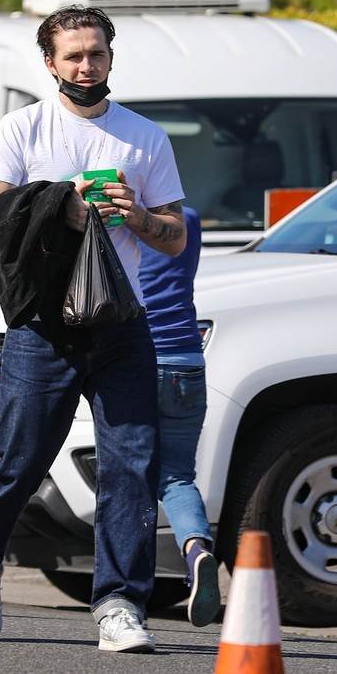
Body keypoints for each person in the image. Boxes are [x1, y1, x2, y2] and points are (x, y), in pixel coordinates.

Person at [0, 5, 186, 653]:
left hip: (121, 323)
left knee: (131, 464)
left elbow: (174, 237)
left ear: (111, 57)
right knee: (18, 460)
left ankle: (119, 603)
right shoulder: (21, 130)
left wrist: (137, 216)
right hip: (42, 326)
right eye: (74, 55)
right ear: (50, 63)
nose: (87, 65)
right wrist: (60, 199)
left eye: (97, 52)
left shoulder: (145, 138)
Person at [137, 206, 220, 627]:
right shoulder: (188, 218)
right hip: (188, 359)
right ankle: (196, 550)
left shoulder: (122, 221)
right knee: (177, 477)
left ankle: (128, 586)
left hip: (138, 361)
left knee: (127, 475)